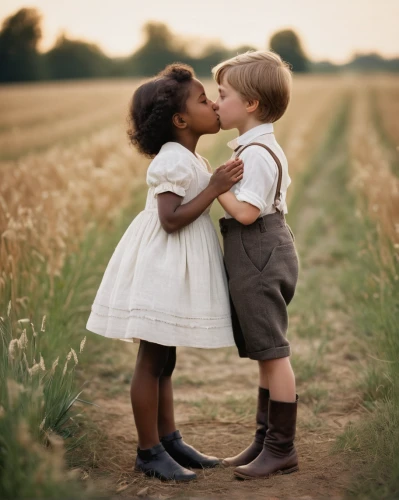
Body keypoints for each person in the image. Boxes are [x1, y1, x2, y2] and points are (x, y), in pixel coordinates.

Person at [86, 63, 244, 482]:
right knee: (151, 359)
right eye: (202, 99)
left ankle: (169, 439)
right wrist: (214, 188)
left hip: (174, 265)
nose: (212, 102)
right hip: (162, 265)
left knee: (165, 359)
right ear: (180, 120)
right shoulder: (172, 161)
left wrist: (211, 181)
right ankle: (148, 450)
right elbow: (171, 219)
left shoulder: (190, 156)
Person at [211, 51, 299, 480]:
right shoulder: (253, 146)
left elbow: (246, 213)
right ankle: (264, 440)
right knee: (265, 353)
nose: (215, 101)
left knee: (274, 352)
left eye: (223, 94)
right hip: (256, 251)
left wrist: (215, 187)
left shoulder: (259, 153)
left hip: (259, 248)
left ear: (250, 104)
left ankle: (281, 448)